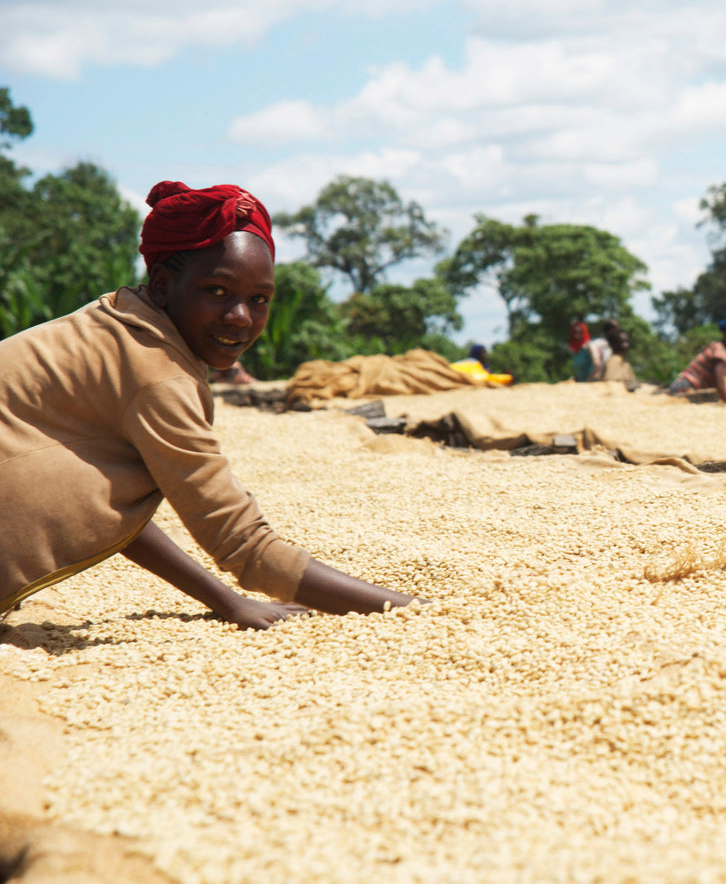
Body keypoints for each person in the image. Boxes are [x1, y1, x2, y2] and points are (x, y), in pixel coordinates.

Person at [0, 180, 420, 629]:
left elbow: (103, 501)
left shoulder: (115, 321)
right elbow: (244, 544)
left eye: (258, 300)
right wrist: (410, 611)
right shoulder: (157, 374)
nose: (240, 317)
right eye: (218, 291)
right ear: (163, 284)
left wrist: (228, 601)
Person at [667, 317, 726, 402]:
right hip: (685, 387)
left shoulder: (716, 346)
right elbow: (720, 386)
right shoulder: (720, 353)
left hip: (680, 385)